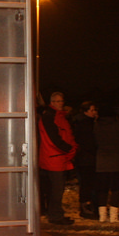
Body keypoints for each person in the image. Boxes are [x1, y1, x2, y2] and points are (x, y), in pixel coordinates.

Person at [38, 91, 77, 225]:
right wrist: (69, 148)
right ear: (52, 102)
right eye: (58, 101)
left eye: (62, 101)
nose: (61, 104)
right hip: (55, 157)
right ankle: (55, 215)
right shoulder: (51, 117)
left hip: (56, 157)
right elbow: (54, 139)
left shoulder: (56, 116)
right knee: (56, 189)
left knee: (55, 189)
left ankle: (55, 213)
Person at [93, 102, 119, 223]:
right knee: (116, 189)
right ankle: (114, 216)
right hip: (117, 161)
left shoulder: (96, 126)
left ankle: (102, 216)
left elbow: (94, 142)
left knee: (102, 189)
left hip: (101, 161)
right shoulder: (118, 125)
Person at [71, 100, 100, 220]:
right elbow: (88, 142)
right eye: (92, 110)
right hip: (87, 158)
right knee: (87, 183)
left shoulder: (81, 122)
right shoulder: (86, 124)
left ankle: (86, 206)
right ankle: (86, 207)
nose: (94, 112)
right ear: (85, 111)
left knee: (86, 183)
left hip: (84, 157)